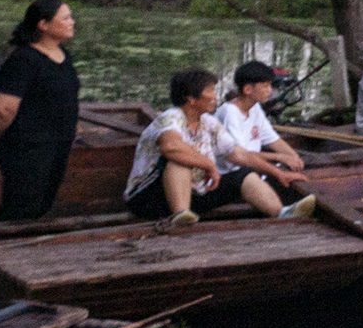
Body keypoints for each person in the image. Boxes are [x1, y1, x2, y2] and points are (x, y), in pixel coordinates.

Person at [125, 68, 300, 225]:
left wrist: (278, 173)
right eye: (210, 91)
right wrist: (208, 165)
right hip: (148, 199)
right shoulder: (170, 118)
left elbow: (240, 155)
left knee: (245, 175)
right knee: (179, 161)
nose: (215, 96)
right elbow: (170, 147)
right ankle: (181, 217)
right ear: (191, 99)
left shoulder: (209, 123)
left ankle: (282, 213)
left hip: (193, 193)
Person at [0, 0, 81, 222]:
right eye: (66, 18)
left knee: (43, 203)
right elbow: (3, 108)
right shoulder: (24, 59)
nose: (72, 22)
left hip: (59, 144)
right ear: (44, 25)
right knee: (21, 206)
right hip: (28, 146)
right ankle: (4, 248)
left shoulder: (64, 56)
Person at [214, 60, 314, 201]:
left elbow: (273, 139)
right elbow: (242, 156)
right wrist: (279, 157)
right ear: (248, 89)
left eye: (270, 85)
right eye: (265, 86)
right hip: (233, 175)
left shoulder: (254, 107)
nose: (270, 90)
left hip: (253, 168)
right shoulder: (230, 112)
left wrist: (294, 157)